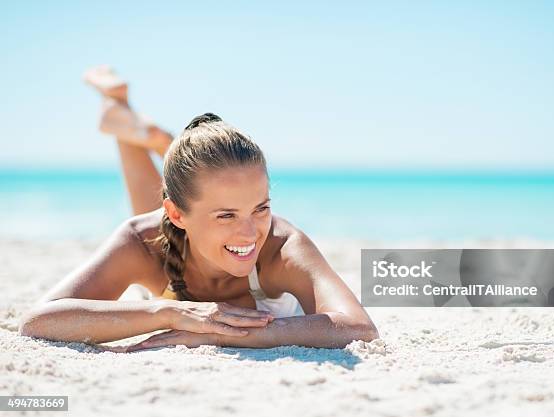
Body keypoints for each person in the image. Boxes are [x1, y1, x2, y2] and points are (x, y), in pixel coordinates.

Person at [18, 66, 379, 351]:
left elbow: (358, 326)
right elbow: (39, 321)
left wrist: (226, 333)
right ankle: (144, 130)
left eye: (261, 207)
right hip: (169, 236)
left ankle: (138, 123)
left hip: (181, 227)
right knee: (158, 219)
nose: (251, 231)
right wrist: (170, 312)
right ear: (174, 214)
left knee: (189, 202)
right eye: (227, 215)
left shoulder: (281, 246)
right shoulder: (140, 240)